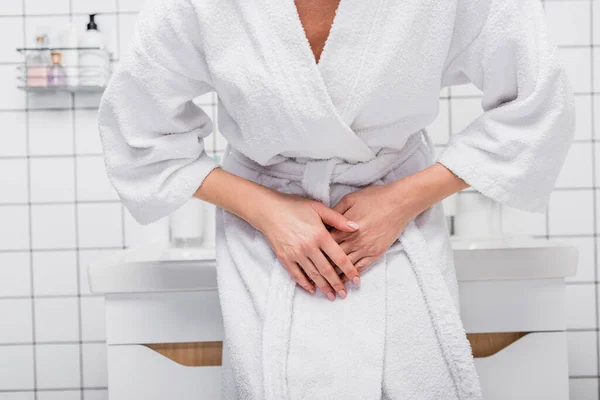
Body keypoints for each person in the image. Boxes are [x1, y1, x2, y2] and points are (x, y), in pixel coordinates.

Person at [97, 0, 576, 398]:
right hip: (265, 233)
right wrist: (267, 211)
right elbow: (138, 128)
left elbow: (538, 101)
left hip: (398, 220)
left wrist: (402, 201)